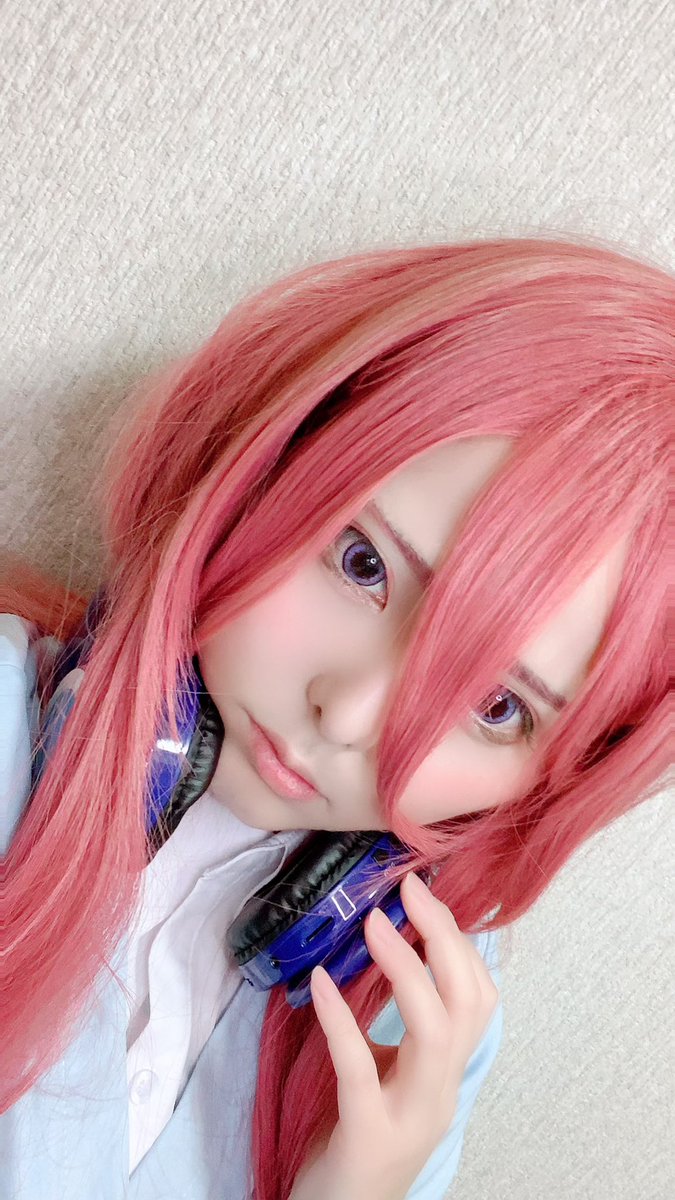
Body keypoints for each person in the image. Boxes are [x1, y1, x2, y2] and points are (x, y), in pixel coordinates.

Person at [0, 237, 670, 1200]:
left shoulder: (415, 1022)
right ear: (272, 462)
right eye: (364, 565)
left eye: (495, 707)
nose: (349, 715)